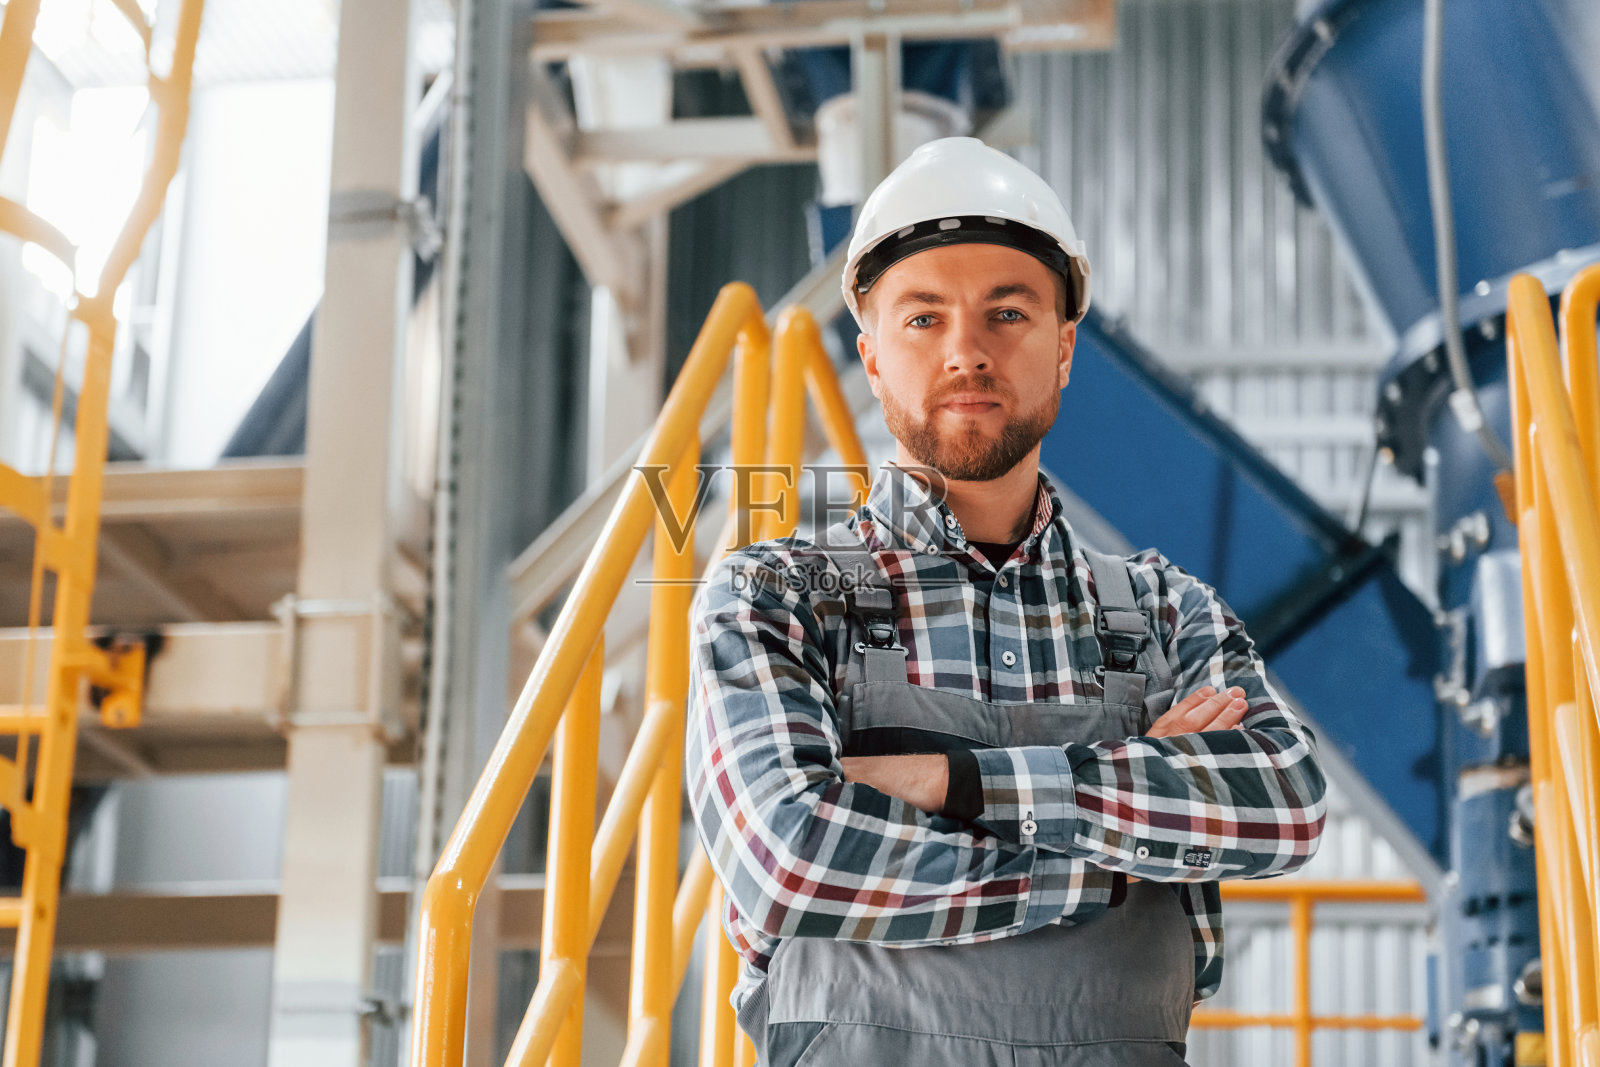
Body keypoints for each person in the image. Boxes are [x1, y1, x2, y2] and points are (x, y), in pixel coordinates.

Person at [685, 136, 1327, 1066]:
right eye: (923, 318)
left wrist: (953, 782)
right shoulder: (778, 594)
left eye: (1008, 313)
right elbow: (791, 859)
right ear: (869, 356)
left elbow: (1285, 804)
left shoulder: (1163, 609)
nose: (967, 352)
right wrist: (1103, 846)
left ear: (1064, 348)